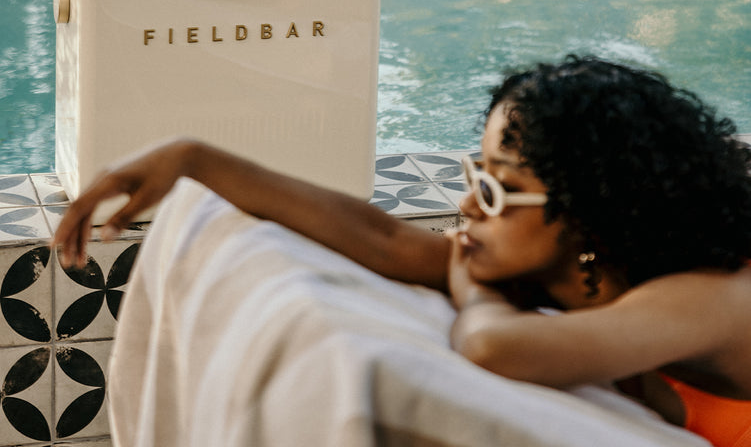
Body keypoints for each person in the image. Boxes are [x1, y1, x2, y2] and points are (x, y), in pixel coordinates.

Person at [52, 56, 751, 447]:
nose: (468, 206)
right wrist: (194, 159)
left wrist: (476, 291)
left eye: (499, 190)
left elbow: (494, 348)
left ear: (591, 213)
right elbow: (383, 239)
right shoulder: (570, 270)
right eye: (475, 177)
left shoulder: (706, 297)